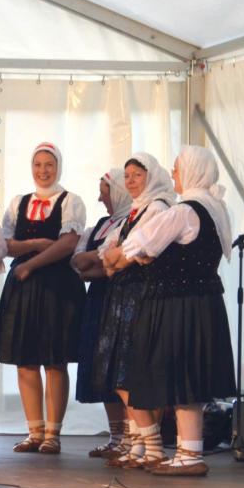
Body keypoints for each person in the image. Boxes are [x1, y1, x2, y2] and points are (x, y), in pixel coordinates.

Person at [112, 146, 236, 476]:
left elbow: (138, 242)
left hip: (181, 303)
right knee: (189, 377)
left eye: (178, 167)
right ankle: (187, 452)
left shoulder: (185, 211)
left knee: (183, 375)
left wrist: (139, 255)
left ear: (192, 171)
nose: (173, 172)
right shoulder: (215, 208)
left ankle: (190, 456)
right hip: (202, 301)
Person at [0, 143, 86, 454]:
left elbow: (68, 243)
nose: (43, 170)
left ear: (58, 167)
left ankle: (52, 434)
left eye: (49, 164)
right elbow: (6, 245)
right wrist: (37, 244)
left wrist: (30, 262)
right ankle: (34, 432)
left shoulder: (70, 201)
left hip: (56, 286)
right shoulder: (18, 202)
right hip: (24, 286)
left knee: (54, 360)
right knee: (25, 360)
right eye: (38, 164)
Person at [92, 152, 175, 470]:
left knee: (131, 373)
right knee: (120, 373)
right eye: (127, 176)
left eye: (137, 175)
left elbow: (130, 255)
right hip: (123, 296)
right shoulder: (134, 212)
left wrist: (117, 259)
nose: (130, 181)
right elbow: (106, 255)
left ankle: (151, 446)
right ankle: (140, 444)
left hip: (142, 296)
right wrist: (115, 259)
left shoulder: (158, 208)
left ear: (151, 176)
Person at [70, 169, 132, 459]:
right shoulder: (102, 225)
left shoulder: (131, 222)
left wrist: (96, 264)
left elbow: (104, 262)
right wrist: (99, 262)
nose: (100, 198)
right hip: (98, 299)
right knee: (103, 366)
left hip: (122, 299)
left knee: (121, 367)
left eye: (104, 192)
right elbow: (79, 263)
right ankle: (116, 436)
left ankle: (131, 437)